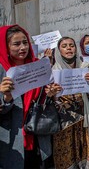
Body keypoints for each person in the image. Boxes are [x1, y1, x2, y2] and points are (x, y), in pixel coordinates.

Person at [0, 25, 59, 168]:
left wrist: (50, 94)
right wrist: (6, 97)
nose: (23, 48)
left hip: (37, 135)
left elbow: (41, 99)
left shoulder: (36, 66)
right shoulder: (2, 70)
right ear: (5, 46)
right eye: (16, 44)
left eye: (25, 42)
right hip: (12, 139)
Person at [52, 36, 89, 169]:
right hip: (64, 123)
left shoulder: (85, 67)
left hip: (83, 119)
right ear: (59, 51)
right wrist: (53, 93)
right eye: (64, 46)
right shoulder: (55, 71)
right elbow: (51, 99)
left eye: (71, 45)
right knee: (67, 156)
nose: (69, 48)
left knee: (84, 153)